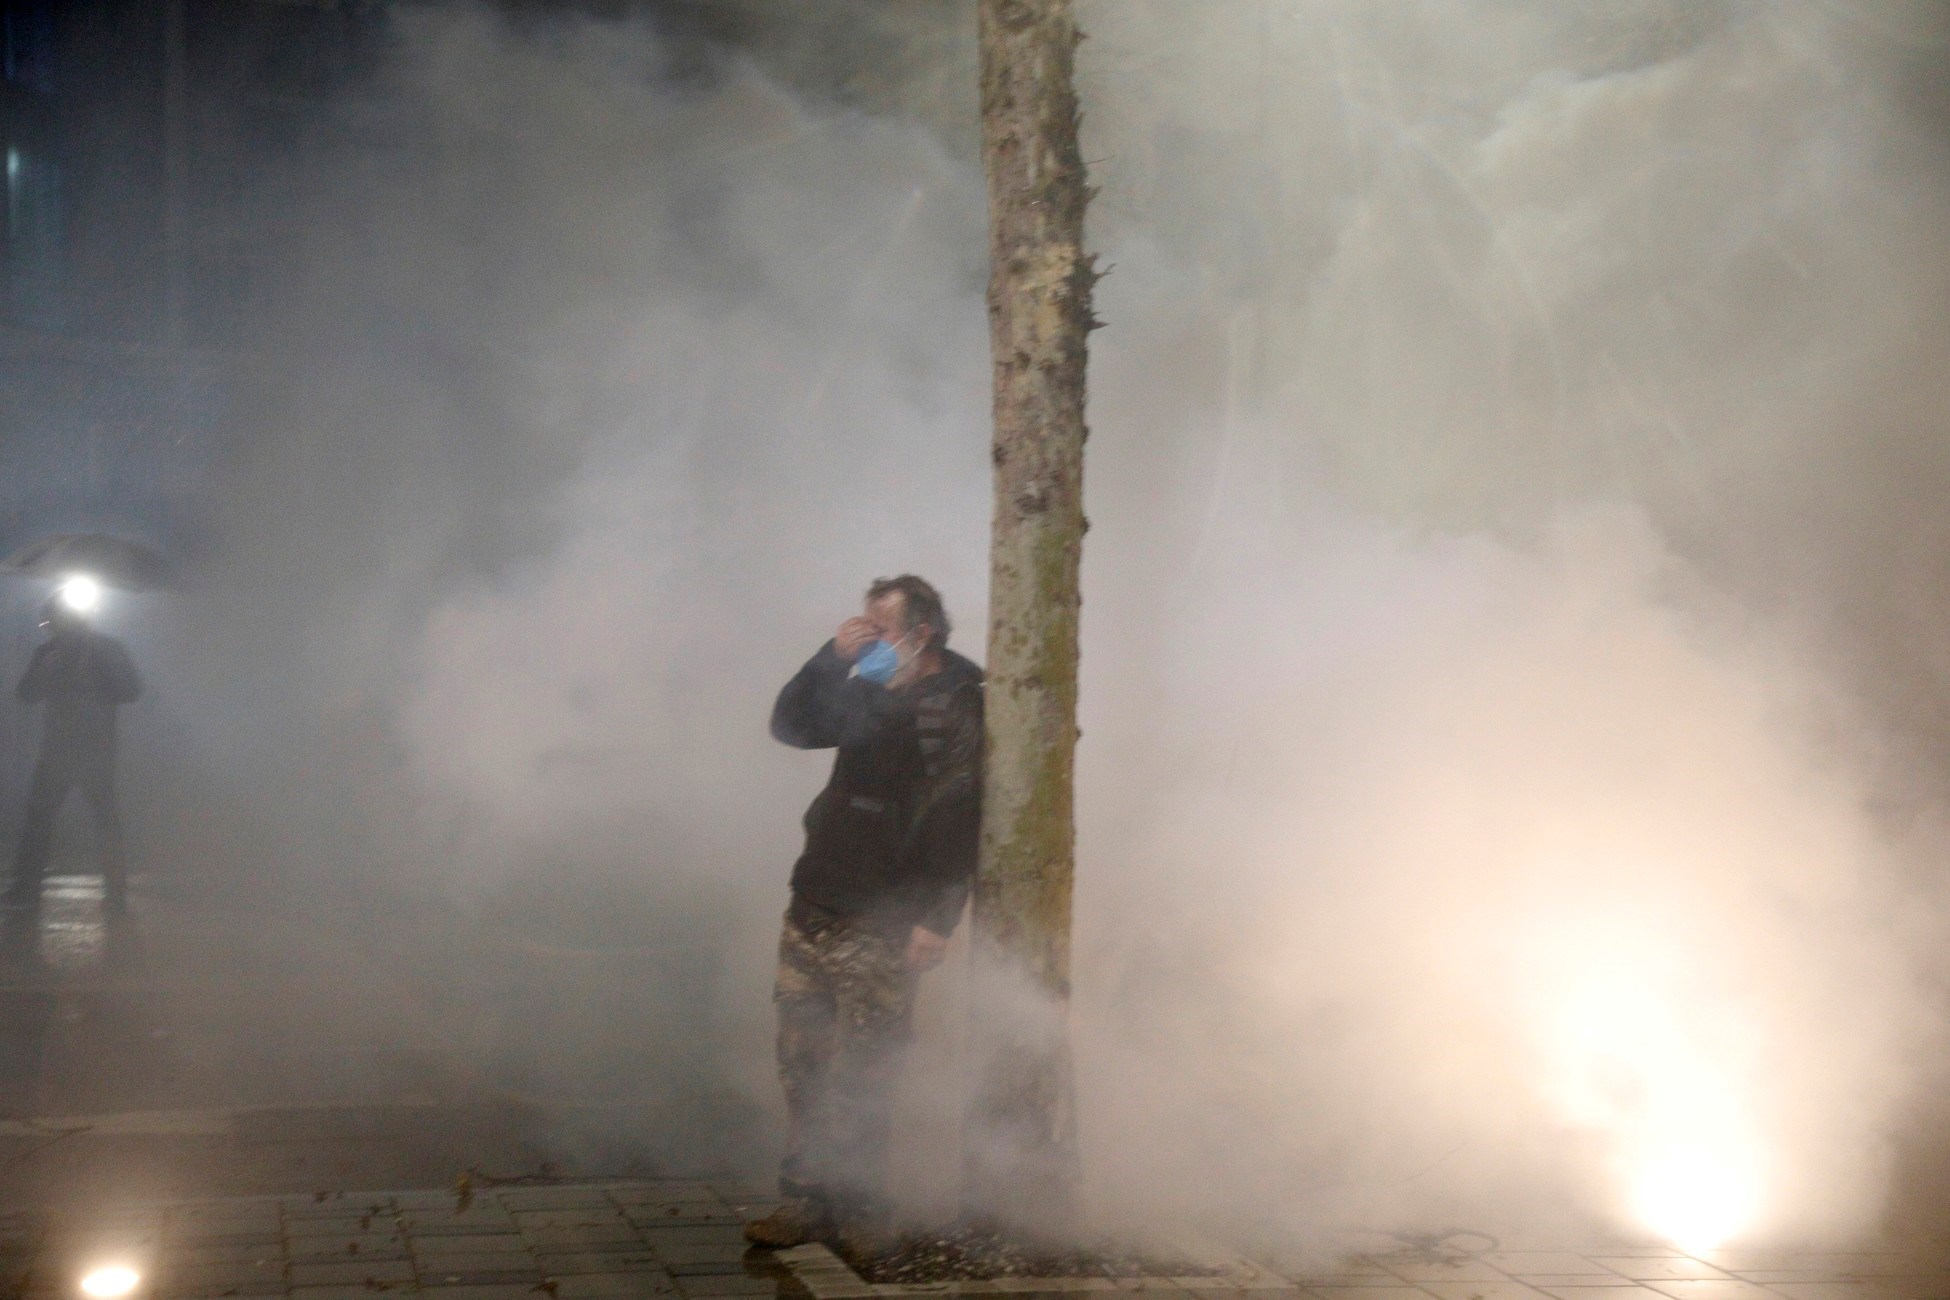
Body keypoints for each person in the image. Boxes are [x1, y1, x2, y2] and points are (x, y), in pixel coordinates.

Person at [746, 575, 984, 1253]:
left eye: (880, 630)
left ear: (921, 634)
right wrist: (832, 659)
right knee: (803, 1062)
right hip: (816, 900)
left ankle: (861, 1207)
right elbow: (793, 727)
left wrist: (936, 918)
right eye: (864, 626)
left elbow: (960, 817)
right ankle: (805, 1200)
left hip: (885, 916)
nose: (867, 639)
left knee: (867, 1069)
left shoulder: (956, 705)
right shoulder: (870, 686)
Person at [7, 591, 141, 913]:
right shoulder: (51, 652)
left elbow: (130, 690)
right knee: (45, 823)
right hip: (65, 752)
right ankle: (27, 891)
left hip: (90, 752)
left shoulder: (105, 650)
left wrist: (100, 671)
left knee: (100, 823)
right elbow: (27, 693)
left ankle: (114, 893)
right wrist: (48, 669)